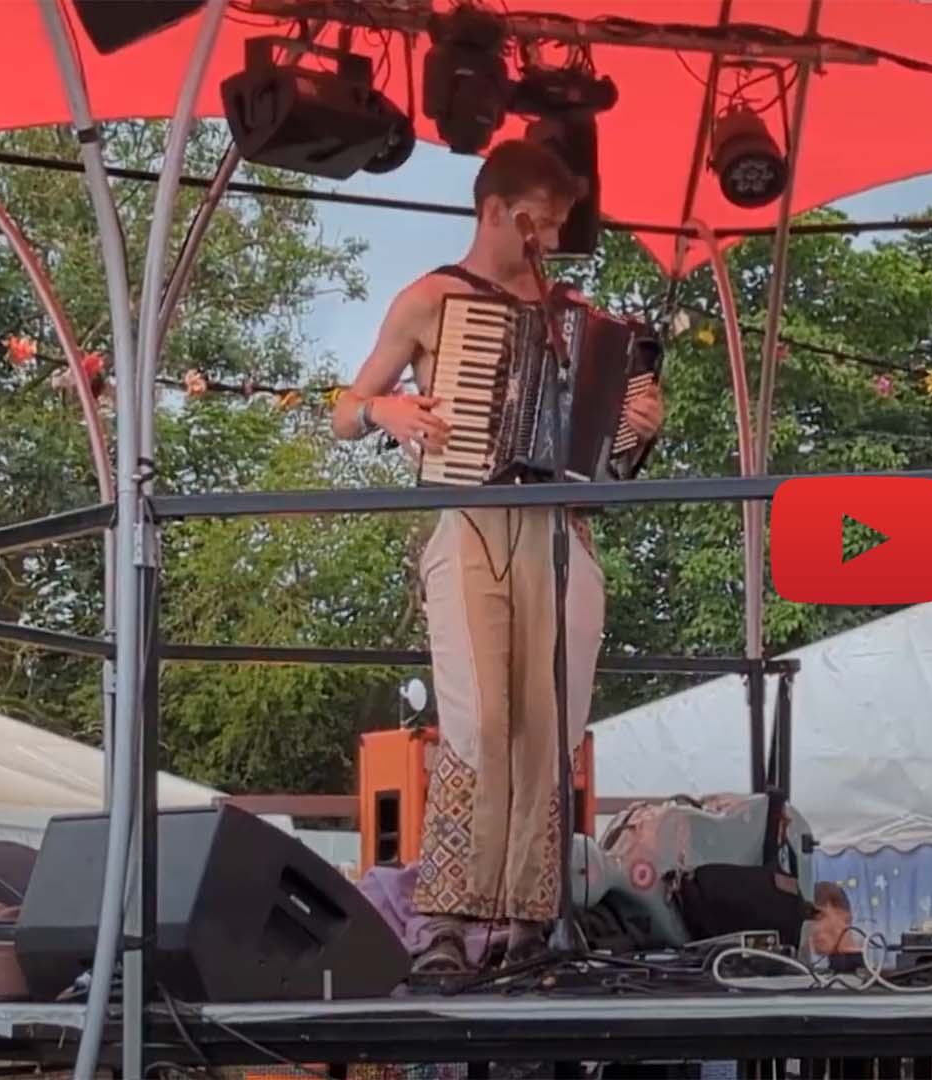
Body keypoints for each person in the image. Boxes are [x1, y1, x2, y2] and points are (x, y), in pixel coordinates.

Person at [331, 139, 664, 972]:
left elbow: (612, 447)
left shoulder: (577, 315)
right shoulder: (433, 298)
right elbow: (344, 408)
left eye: (554, 225)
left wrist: (637, 427)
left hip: (559, 528)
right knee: (480, 719)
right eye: (537, 223)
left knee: (550, 726)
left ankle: (529, 920)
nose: (548, 240)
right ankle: (443, 918)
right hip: (472, 518)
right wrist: (391, 414)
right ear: (492, 211)